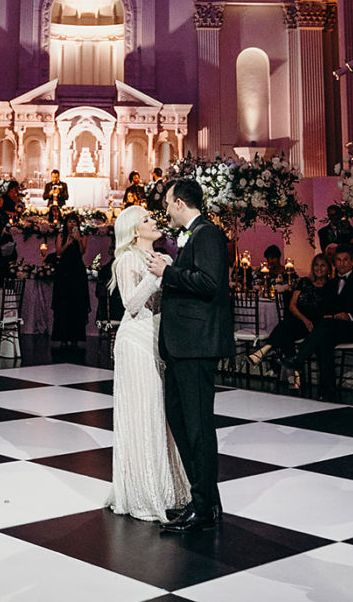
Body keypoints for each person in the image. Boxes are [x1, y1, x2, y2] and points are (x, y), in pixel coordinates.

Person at [148, 178, 234, 534]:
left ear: (181, 203)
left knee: (198, 427)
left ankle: (204, 506)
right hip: (184, 346)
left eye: (168, 203)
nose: (165, 209)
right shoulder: (194, 236)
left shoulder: (208, 234)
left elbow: (210, 283)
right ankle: (204, 500)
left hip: (196, 346)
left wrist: (168, 272)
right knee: (181, 419)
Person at [106, 205, 190, 522]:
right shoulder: (127, 258)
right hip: (135, 341)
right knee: (144, 413)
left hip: (155, 339)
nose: (154, 222)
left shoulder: (159, 258)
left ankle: (168, 487)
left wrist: (165, 271)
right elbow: (130, 303)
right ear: (134, 230)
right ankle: (143, 492)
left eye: (152, 218)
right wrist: (157, 277)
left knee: (159, 413)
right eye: (146, 220)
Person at [283, 246, 353, 399]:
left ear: (352, 261)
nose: (342, 263)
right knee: (323, 339)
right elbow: (324, 308)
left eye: (345, 260)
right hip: (335, 329)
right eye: (339, 260)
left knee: (324, 331)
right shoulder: (330, 284)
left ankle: (299, 358)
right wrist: (327, 316)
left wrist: (349, 315)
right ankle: (328, 389)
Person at [249, 253, 330, 374]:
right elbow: (292, 305)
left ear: (328, 268)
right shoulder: (304, 282)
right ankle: (295, 375)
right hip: (300, 320)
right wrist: (304, 319)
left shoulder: (331, 286)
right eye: (316, 265)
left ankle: (265, 350)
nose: (319, 268)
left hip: (315, 325)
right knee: (286, 329)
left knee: (285, 329)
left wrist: (310, 321)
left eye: (323, 265)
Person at [51, 212, 90, 346]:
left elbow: (82, 252)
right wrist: (67, 244)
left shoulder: (83, 236)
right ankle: (62, 338)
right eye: (69, 222)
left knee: (77, 304)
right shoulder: (61, 236)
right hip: (64, 272)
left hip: (77, 272)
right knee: (63, 304)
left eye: (74, 222)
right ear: (66, 223)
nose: (72, 224)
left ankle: (75, 338)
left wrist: (78, 239)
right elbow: (58, 253)